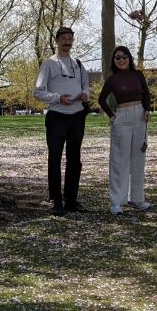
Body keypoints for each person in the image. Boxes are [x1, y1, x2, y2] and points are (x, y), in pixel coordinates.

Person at [33, 26, 91, 215]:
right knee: (55, 158)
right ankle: (57, 200)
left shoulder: (78, 64)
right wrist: (58, 98)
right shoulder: (49, 64)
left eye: (70, 38)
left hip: (77, 116)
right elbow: (38, 92)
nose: (67, 42)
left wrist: (84, 95)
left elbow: (86, 87)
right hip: (57, 116)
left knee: (75, 159)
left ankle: (71, 200)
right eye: (64, 39)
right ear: (57, 41)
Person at [97, 45, 151, 216]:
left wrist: (147, 109)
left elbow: (147, 94)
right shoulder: (113, 79)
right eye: (117, 58)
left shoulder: (138, 75)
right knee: (119, 161)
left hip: (140, 116)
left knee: (138, 160)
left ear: (129, 58)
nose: (121, 60)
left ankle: (137, 198)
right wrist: (111, 116)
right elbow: (101, 99)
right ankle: (116, 201)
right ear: (114, 61)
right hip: (122, 117)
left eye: (124, 56)